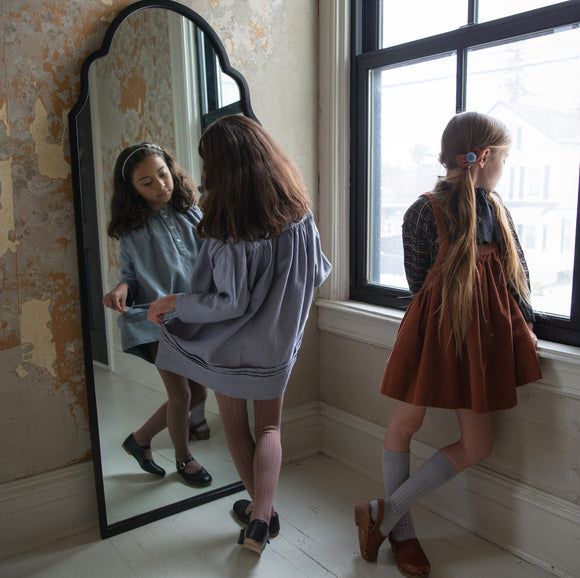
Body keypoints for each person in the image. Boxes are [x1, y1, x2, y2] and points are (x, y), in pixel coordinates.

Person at [353, 112, 542, 577]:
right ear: (486, 157)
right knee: (406, 422)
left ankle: (384, 513)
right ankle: (401, 532)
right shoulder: (423, 210)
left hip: (479, 340)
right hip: (434, 333)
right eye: (504, 160)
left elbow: (516, 276)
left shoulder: (495, 209)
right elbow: (420, 284)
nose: (504, 169)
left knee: (478, 444)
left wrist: (525, 325)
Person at [147, 115, 332, 554]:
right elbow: (318, 272)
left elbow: (229, 303)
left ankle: (262, 518)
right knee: (269, 427)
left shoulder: (228, 229)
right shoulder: (299, 214)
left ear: (219, 168)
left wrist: (175, 302)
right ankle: (260, 518)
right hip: (278, 342)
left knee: (235, 425)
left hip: (229, 345)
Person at [102, 142, 212, 487]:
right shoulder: (132, 232)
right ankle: (184, 459)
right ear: (132, 189)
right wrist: (122, 288)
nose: (160, 185)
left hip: (193, 315)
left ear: (172, 170)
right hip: (156, 321)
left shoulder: (193, 214)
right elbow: (131, 278)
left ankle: (140, 440)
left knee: (199, 394)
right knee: (181, 395)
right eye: (147, 182)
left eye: (163, 175)